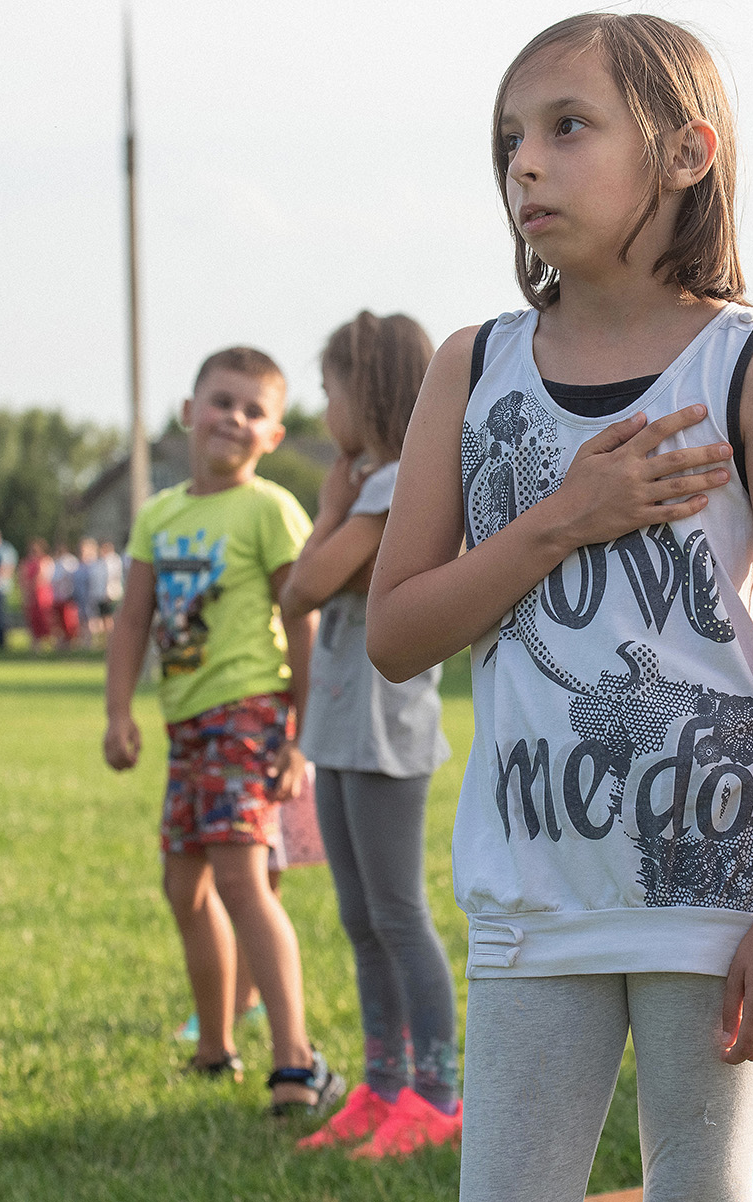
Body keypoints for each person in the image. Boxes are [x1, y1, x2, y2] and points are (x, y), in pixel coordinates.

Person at [365, 15, 753, 1200]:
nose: (525, 163)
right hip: (532, 888)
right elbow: (396, 634)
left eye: (568, 127)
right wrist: (565, 517)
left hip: (711, 886)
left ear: (686, 152)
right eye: (510, 139)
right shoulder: (472, 365)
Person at [102, 345, 344, 1116]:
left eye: (253, 410)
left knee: (243, 880)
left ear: (274, 435)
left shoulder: (269, 509)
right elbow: (132, 619)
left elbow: (301, 620)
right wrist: (117, 712)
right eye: (221, 401)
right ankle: (214, 1048)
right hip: (185, 726)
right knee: (184, 888)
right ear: (187, 412)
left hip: (249, 714)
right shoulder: (158, 515)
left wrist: (301, 732)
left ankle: (295, 1062)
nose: (234, 419)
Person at [279, 311, 460, 1158]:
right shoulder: (371, 486)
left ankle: (437, 1094)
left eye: (330, 392)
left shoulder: (393, 489)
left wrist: (328, 509)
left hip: (385, 728)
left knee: (397, 911)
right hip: (342, 721)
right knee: (360, 916)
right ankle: (383, 1085)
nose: (325, 413)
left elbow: (302, 589)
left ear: (371, 391)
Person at [19, 539, 55, 653]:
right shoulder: (26, 562)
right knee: (32, 618)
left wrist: (32, 586)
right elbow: (22, 577)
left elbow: (42, 577)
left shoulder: (45, 561)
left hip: (41, 593)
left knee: (44, 617)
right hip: (30, 594)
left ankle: (49, 642)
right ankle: (35, 643)